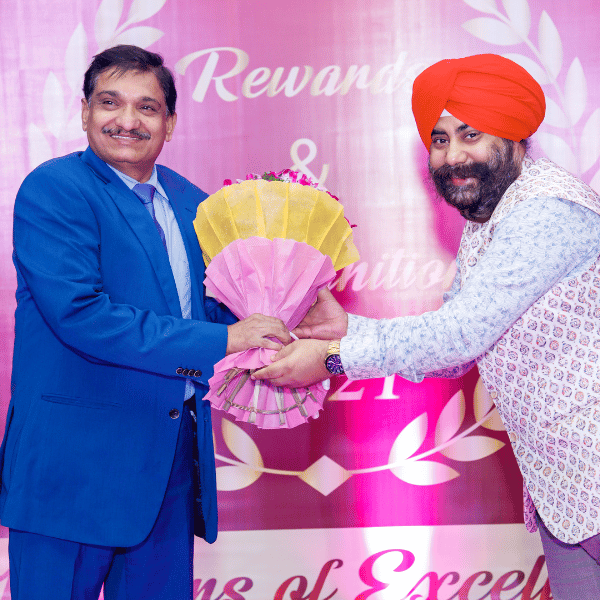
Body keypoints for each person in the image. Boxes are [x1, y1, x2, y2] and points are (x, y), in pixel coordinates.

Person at [254, 53, 600, 599]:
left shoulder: (545, 212)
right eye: (440, 140)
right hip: (571, 490)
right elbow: (458, 348)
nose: (453, 156)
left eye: (470, 135)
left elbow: (458, 336)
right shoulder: (495, 216)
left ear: (513, 134)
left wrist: (335, 357)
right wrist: (347, 329)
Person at [1, 45, 290, 600]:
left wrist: (285, 311)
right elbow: (82, 315)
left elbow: (210, 308)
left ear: (170, 122)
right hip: (73, 466)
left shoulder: (194, 204)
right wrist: (228, 337)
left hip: (168, 463)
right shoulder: (55, 189)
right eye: (110, 103)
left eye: (147, 107)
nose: (127, 121)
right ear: (84, 111)